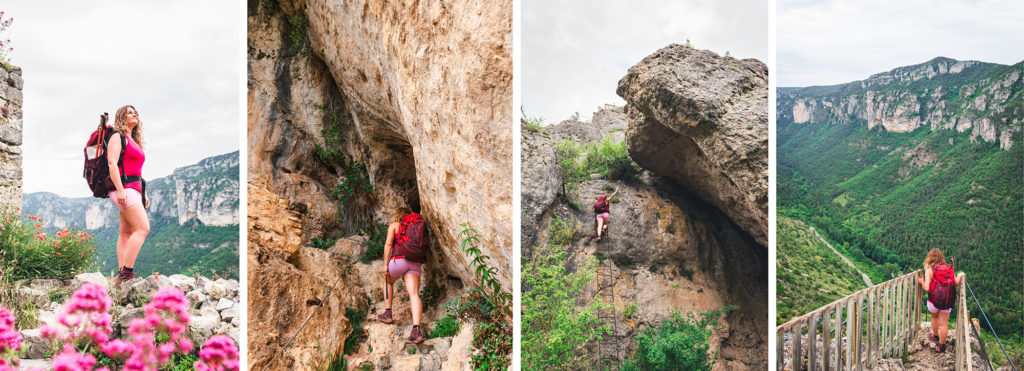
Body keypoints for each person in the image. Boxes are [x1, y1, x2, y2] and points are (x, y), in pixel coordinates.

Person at [107, 105, 149, 284]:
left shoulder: (133, 140)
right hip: (123, 189)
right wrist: (121, 189)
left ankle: (121, 276)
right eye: (130, 113)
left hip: (134, 189)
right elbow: (112, 163)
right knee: (143, 228)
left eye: (136, 112)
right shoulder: (118, 136)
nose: (134, 115)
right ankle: (126, 272)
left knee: (125, 233)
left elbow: (136, 170)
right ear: (122, 117)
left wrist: (144, 193)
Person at [377, 207, 427, 343]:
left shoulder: (394, 225)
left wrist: (385, 265)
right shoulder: (414, 227)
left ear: (397, 215)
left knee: (388, 281)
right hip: (414, 263)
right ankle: (416, 330)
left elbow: (388, 244)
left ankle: (388, 313)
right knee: (414, 294)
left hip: (398, 261)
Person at [915, 248, 965, 353]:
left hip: (933, 301)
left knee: (934, 318)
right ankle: (942, 346)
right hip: (947, 302)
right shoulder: (949, 268)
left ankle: (936, 336)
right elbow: (955, 282)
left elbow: (927, 288)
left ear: (929, 258)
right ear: (941, 257)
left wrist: (921, 281)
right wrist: (960, 275)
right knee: (944, 324)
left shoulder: (929, 270)